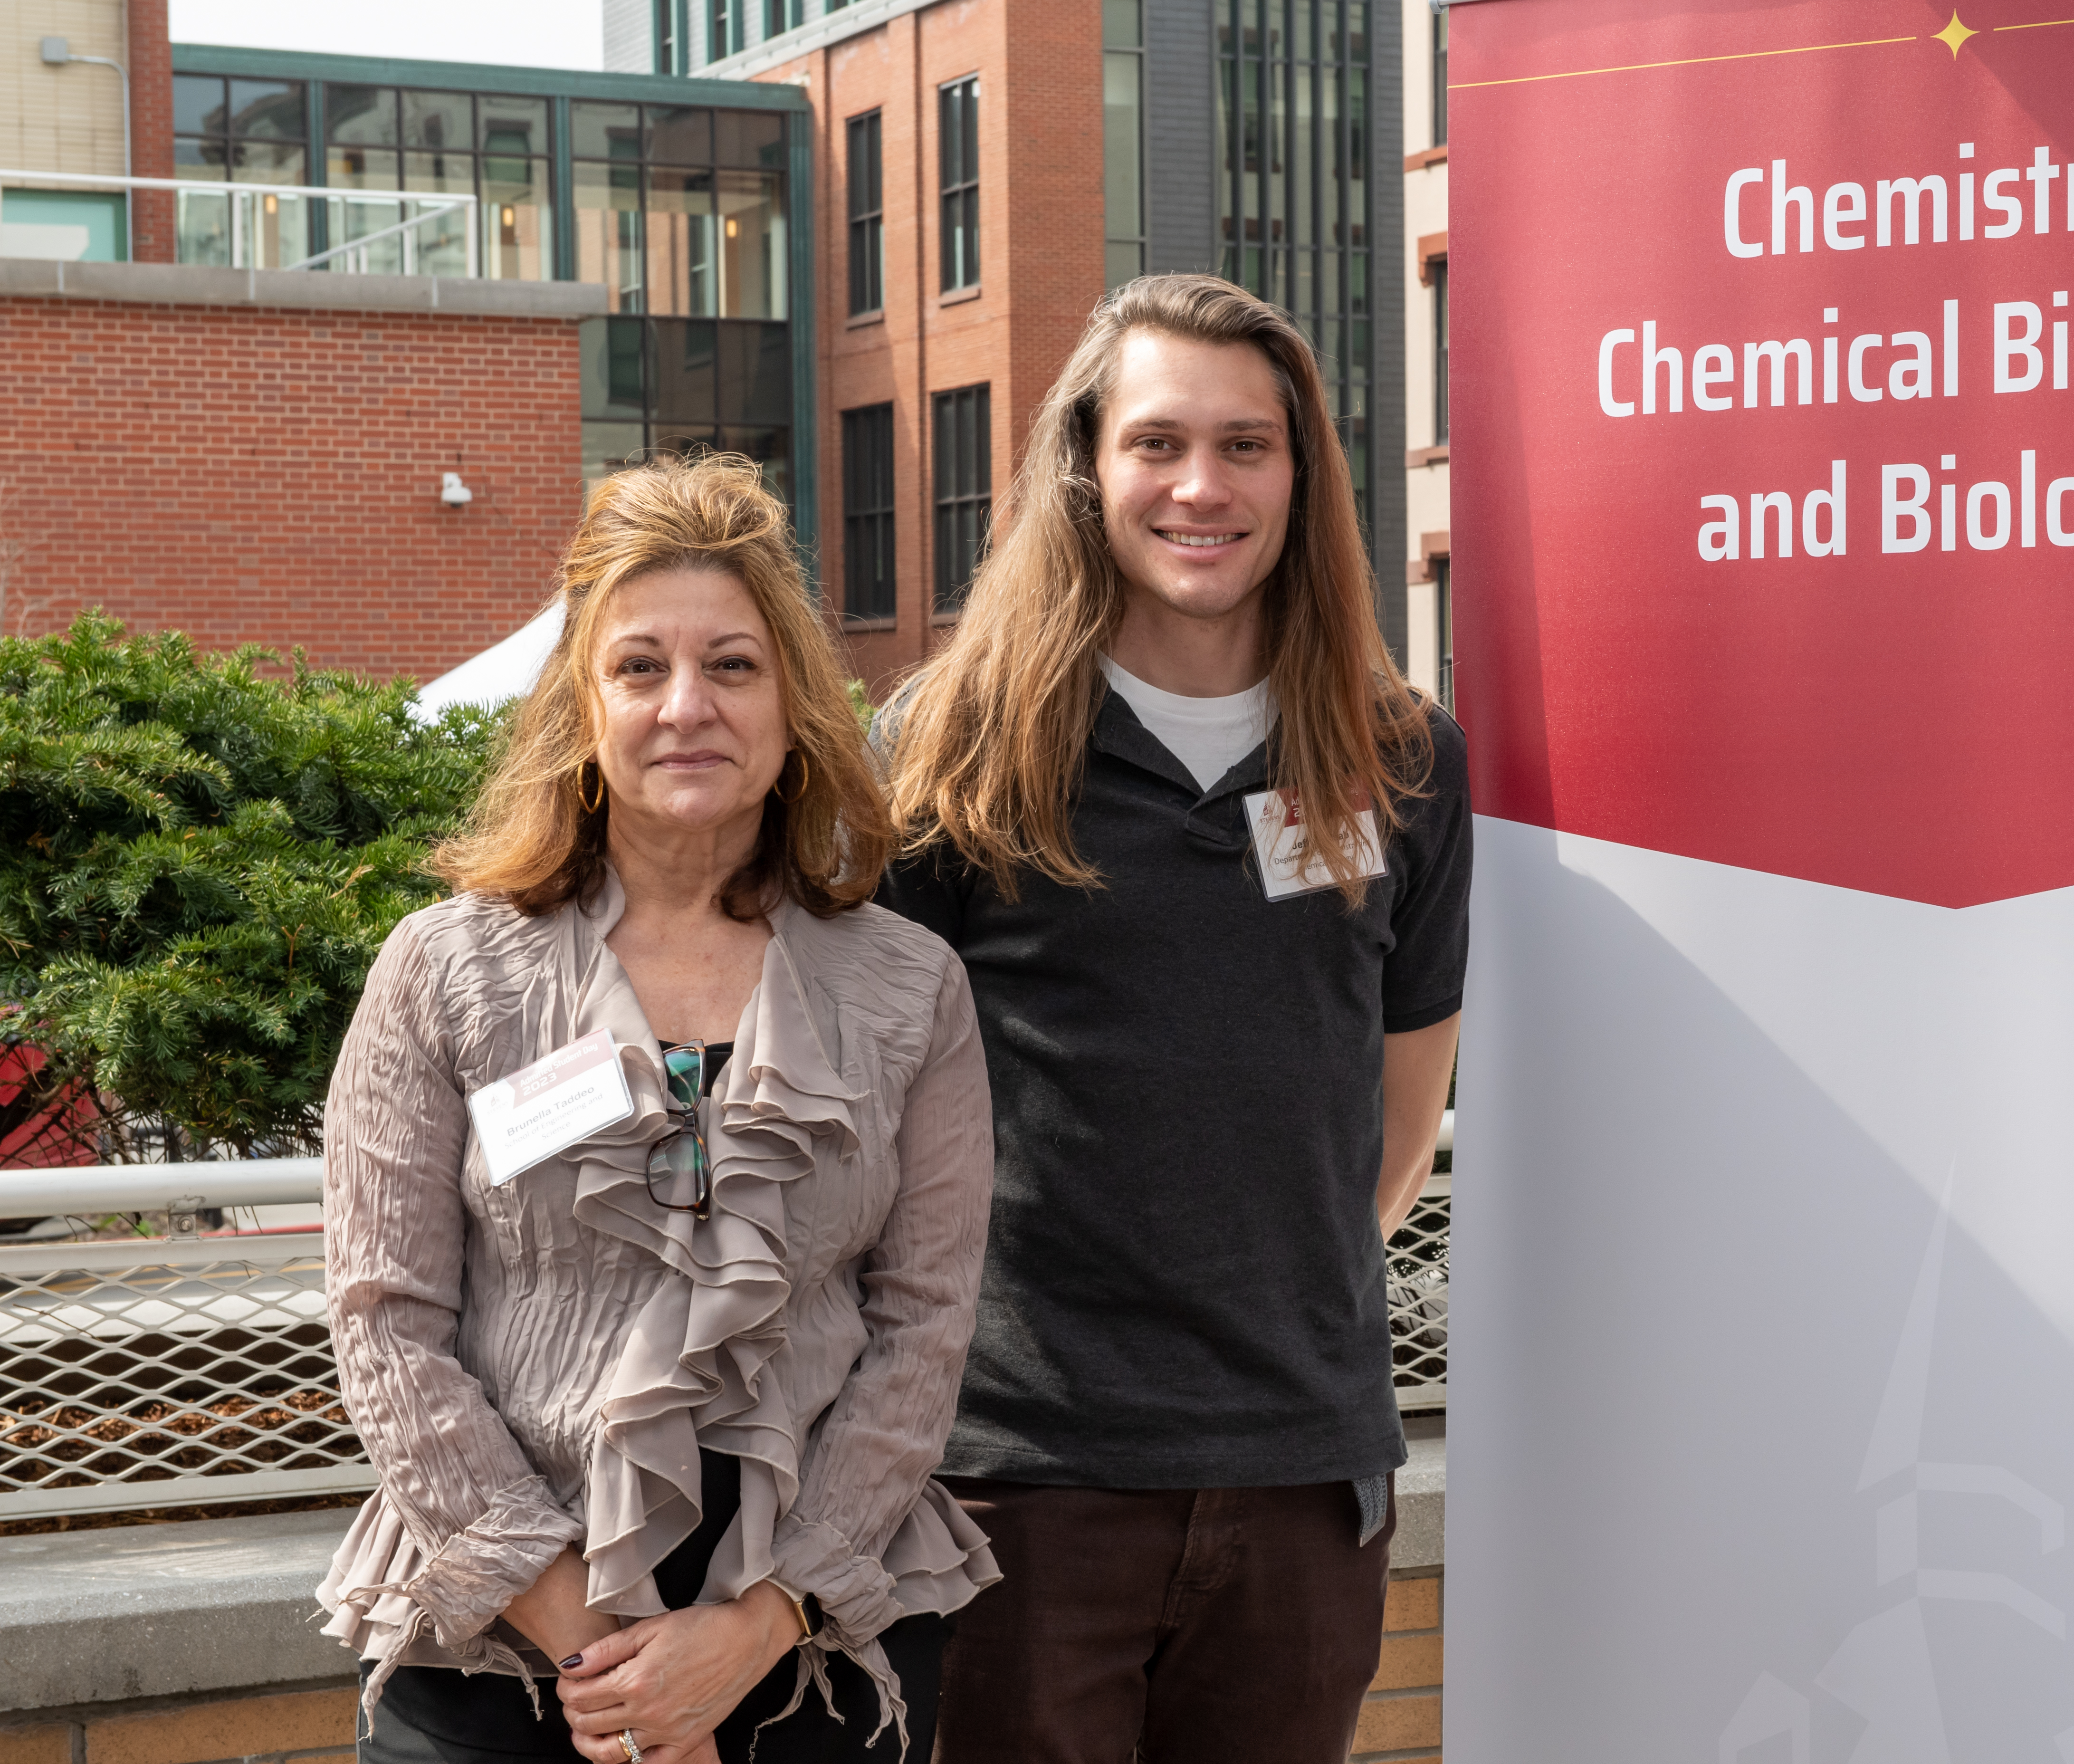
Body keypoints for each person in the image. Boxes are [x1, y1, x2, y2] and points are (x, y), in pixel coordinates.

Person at [316, 455, 998, 1764]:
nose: (688, 705)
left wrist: (750, 1629)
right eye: (640, 667)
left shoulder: (913, 988)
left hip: (805, 1652)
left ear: (794, 701)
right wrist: (604, 1662)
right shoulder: (443, 973)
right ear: (582, 706)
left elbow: (925, 1331)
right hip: (504, 1655)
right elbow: (387, 1323)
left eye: (734, 665)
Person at [879, 273, 1472, 1762]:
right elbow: (868, 1123)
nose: (1200, 486)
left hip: (1299, 1482)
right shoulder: (953, 748)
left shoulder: (1405, 760)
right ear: (1086, 464)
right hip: (1017, 1489)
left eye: (1246, 445)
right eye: (1157, 443)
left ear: (1300, 471)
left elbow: (1397, 1129)